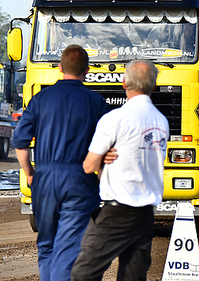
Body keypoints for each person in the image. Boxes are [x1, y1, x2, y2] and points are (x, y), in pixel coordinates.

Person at [11, 45, 110, 281]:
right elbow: (108, 146)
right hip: (80, 180)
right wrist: (99, 177)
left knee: (46, 246)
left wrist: (30, 173)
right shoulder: (96, 102)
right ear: (87, 70)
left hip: (44, 180)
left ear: (59, 68)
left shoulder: (40, 99)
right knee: (69, 249)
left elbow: (20, 143)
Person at [71, 60, 169, 281]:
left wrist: (103, 159)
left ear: (124, 82)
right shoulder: (161, 122)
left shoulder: (115, 119)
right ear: (154, 87)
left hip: (116, 211)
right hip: (145, 214)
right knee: (133, 276)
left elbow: (88, 165)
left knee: (83, 272)